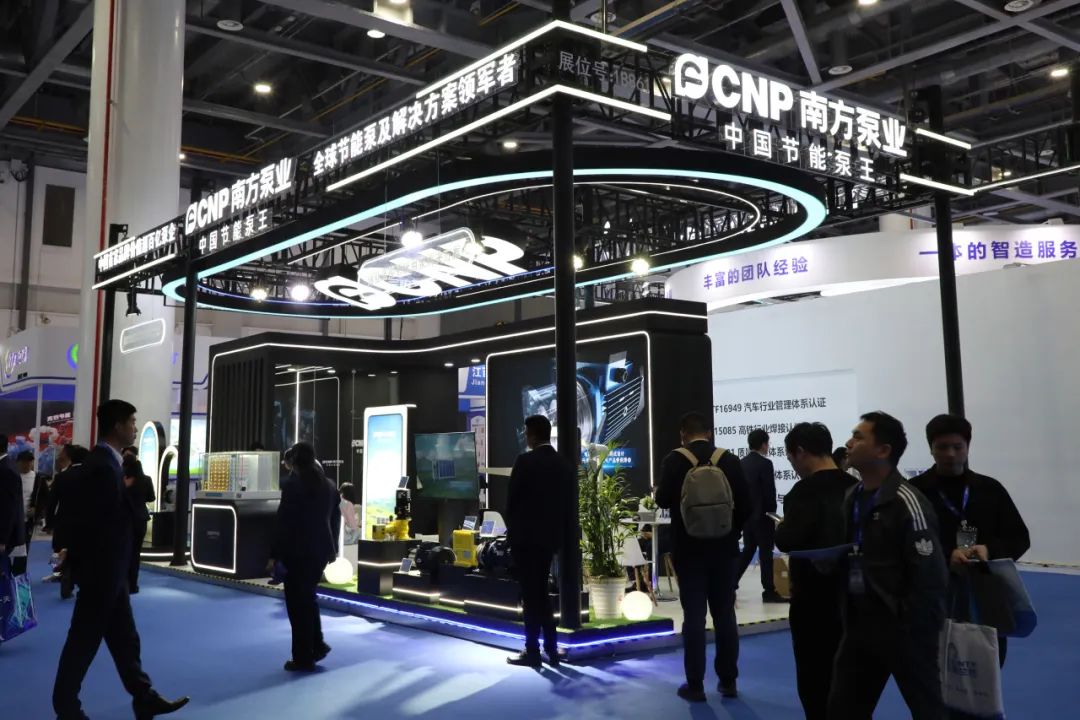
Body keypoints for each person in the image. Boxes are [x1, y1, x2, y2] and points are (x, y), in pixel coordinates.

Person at [52, 399, 189, 720]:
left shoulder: (108, 463)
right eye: (131, 422)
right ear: (117, 426)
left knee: (125, 640)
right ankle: (66, 707)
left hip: (111, 575)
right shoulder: (102, 467)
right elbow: (98, 525)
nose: (135, 428)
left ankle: (144, 697)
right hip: (102, 576)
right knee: (82, 643)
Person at [828, 412, 948, 720]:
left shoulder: (907, 502)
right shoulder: (852, 497)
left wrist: (907, 621)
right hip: (858, 624)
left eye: (858, 437)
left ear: (883, 450)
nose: (848, 443)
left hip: (903, 629)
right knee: (843, 709)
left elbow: (930, 576)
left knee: (928, 709)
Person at [911, 414, 1030, 666]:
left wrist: (989, 550)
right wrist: (945, 556)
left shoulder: (990, 489)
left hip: (986, 591)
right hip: (933, 591)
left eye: (958, 447)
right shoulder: (915, 492)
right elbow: (904, 544)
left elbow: (1019, 537)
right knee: (934, 665)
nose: (951, 454)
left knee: (987, 665)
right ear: (931, 448)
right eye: (942, 447)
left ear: (968, 447)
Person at [655, 412, 750, 702]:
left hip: (689, 551)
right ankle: (728, 681)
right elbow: (746, 505)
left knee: (694, 617)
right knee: (725, 614)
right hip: (724, 550)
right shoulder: (728, 459)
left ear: (683, 434)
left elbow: (661, 500)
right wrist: (730, 532)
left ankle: (695, 684)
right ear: (709, 433)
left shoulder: (674, 460)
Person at [775, 422, 857, 720]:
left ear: (800, 452)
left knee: (815, 678)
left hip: (812, 598)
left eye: (790, 459)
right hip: (854, 596)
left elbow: (789, 540)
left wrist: (781, 529)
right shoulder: (855, 487)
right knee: (852, 680)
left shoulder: (803, 491)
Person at [505, 414, 573, 667]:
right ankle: (551, 649)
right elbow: (567, 508)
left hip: (525, 541)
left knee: (531, 595)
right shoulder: (563, 464)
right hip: (549, 541)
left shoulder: (524, 461)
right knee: (541, 593)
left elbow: (512, 503)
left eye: (526, 433)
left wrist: (512, 536)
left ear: (532, 435)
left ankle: (533, 650)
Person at [268, 441, 341, 672]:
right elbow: (335, 519)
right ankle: (315, 646)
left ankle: (303, 657)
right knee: (308, 599)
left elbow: (284, 522)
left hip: (296, 551)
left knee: (297, 605)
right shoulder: (329, 485)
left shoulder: (293, 485)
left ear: (294, 461)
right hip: (320, 552)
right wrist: (333, 550)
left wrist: (274, 554)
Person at [736, 429, 785, 603]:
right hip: (763, 516)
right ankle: (769, 591)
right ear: (764, 444)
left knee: (748, 550)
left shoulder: (741, 463)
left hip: (747, 516)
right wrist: (773, 513)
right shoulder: (765, 464)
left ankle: (731, 582)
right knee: (766, 554)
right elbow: (769, 492)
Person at [46, 444, 89, 598]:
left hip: (63, 521)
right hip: (85, 522)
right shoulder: (90, 477)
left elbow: (52, 503)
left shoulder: (61, 477)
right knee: (84, 553)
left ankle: (62, 577)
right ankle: (83, 585)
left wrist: (49, 523)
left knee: (61, 551)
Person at [122, 458, 156, 594]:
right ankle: (133, 584)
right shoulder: (146, 480)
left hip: (125, 519)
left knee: (124, 552)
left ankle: (123, 583)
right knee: (136, 553)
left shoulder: (123, 481)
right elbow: (151, 497)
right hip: (141, 519)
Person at [0, 434, 27, 573]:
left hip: (3, 533)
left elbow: (8, 507)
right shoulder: (6, 466)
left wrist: (3, 539)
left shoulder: (6, 470)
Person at [16, 450, 38, 552]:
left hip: (26, 521)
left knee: (23, 549)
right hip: (10, 519)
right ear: (18, 462)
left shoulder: (37, 478)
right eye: (24, 462)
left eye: (30, 462)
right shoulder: (11, 475)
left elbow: (44, 499)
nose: (27, 465)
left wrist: (36, 508)